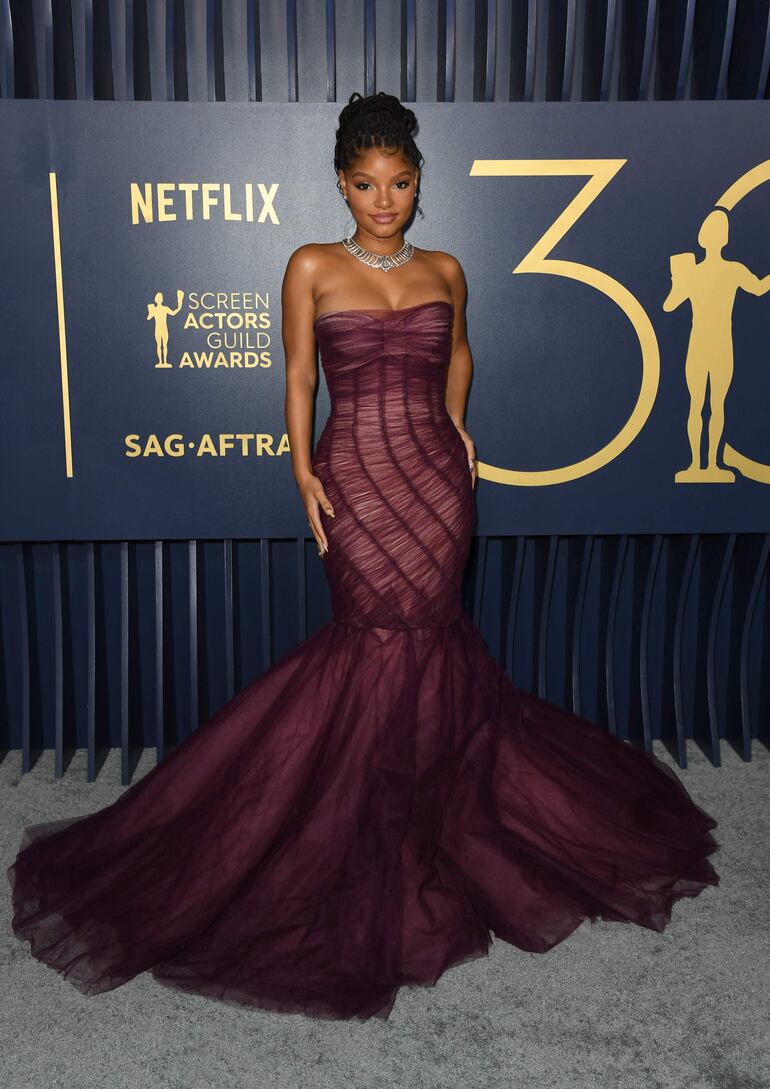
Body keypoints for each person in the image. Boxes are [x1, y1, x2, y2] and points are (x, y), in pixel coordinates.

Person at [7, 91, 719, 1023]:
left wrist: (458, 426)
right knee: (371, 638)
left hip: (435, 485)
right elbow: (300, 373)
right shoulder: (310, 265)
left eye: (400, 182)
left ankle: (431, 812)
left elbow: (460, 354)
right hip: (355, 479)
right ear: (341, 185)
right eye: (366, 184)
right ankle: (357, 822)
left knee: (430, 638)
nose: (384, 200)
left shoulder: (446, 268)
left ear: (419, 182)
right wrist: (302, 469)